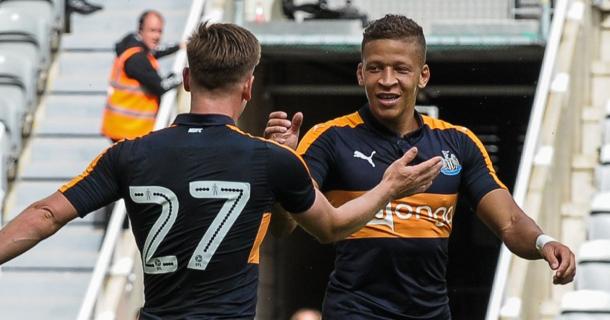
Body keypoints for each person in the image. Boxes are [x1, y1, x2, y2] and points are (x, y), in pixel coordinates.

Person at [0, 22, 443, 319]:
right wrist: (389, 188)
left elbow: (45, 215)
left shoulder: (129, 155)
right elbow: (329, 228)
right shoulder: (271, 160)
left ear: (189, 78)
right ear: (249, 85)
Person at [264, 14, 576, 319]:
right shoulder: (328, 139)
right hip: (354, 311)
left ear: (422, 75)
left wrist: (542, 242)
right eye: (375, 69)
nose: (387, 81)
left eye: (400, 69)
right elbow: (283, 226)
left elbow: (509, 221)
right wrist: (283, 167)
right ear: (360, 74)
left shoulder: (457, 142)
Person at [101, 10, 183, 142]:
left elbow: (155, 51)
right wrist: (183, 76)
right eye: (152, 31)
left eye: (160, 31)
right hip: (130, 131)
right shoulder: (137, 59)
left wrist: (180, 46)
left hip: (122, 127)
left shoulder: (131, 44)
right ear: (141, 30)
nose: (157, 36)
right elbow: (160, 86)